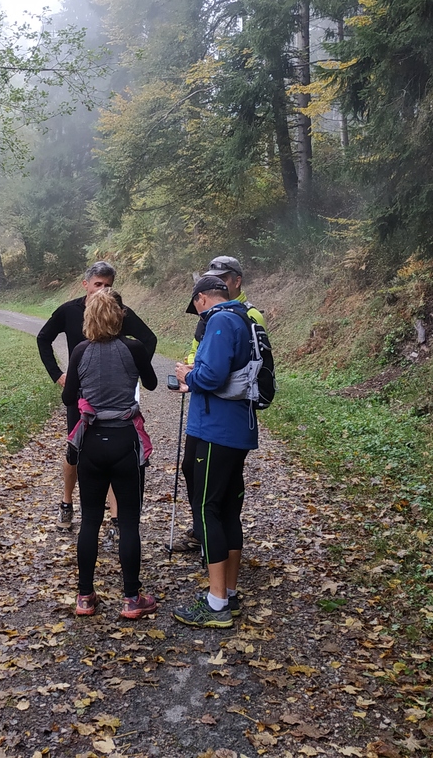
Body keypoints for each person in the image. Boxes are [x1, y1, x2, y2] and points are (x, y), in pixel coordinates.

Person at [37, 261, 157, 529]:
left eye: (108, 285)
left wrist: (132, 371)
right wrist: (57, 374)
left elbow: (149, 340)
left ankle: (115, 517)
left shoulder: (119, 311)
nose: (102, 290)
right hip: (80, 395)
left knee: (113, 453)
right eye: (98, 284)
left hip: (114, 398)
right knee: (74, 451)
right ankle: (66, 503)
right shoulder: (69, 310)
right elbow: (43, 338)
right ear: (85, 285)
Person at [62, 289, 159, 618]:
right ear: (119, 316)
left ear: (88, 318)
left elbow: (68, 398)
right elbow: (151, 383)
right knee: (129, 521)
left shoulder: (80, 351)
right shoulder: (133, 348)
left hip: (91, 442)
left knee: (90, 519)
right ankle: (131, 598)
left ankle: (85, 597)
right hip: (125, 441)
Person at [171, 275, 260, 628]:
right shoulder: (243, 317)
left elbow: (212, 377)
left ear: (202, 299)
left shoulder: (220, 321)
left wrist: (187, 375)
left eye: (196, 306)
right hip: (237, 429)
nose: (197, 313)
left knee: (207, 509)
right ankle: (230, 594)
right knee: (228, 510)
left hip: (215, 430)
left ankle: (217, 602)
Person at [172, 255, 266, 553]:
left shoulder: (228, 318)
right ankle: (212, 540)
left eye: (224, 278)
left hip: (218, 420)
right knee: (207, 483)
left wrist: (191, 376)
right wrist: (194, 367)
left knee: (212, 502)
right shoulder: (224, 317)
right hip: (224, 418)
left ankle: (210, 544)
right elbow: (205, 354)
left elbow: (217, 373)